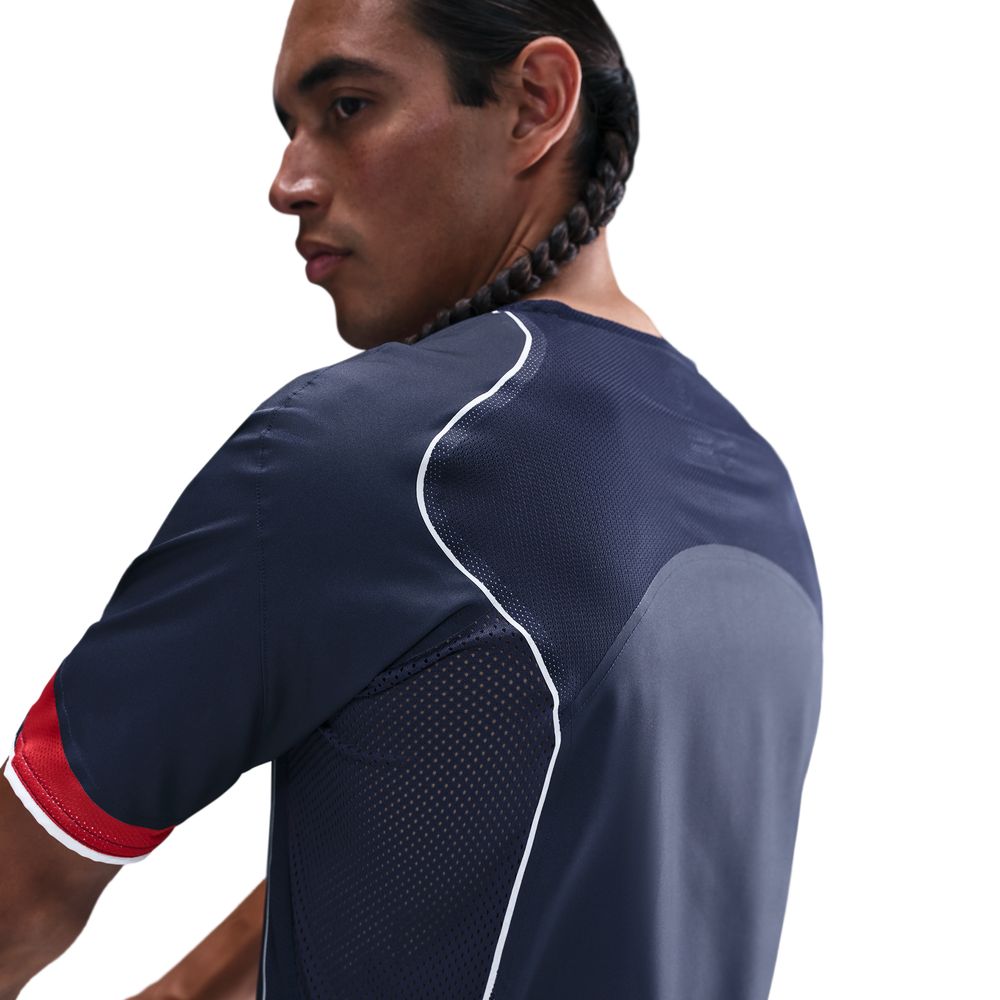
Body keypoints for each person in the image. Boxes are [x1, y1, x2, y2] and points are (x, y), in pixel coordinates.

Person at [0, 0, 824, 997]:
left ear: (534, 103)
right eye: (288, 128)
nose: (287, 182)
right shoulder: (753, 486)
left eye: (348, 107)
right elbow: (461, 863)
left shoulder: (374, 453)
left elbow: (19, 897)